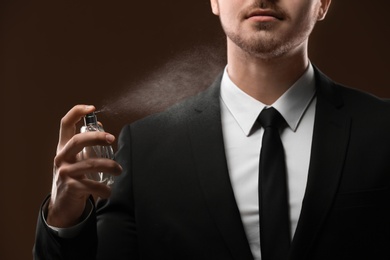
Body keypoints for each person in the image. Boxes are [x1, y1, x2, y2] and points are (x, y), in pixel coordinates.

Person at [33, 0, 390, 259]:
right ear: (215, 1)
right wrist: (65, 219)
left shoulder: (382, 131)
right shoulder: (145, 150)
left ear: (324, 3)